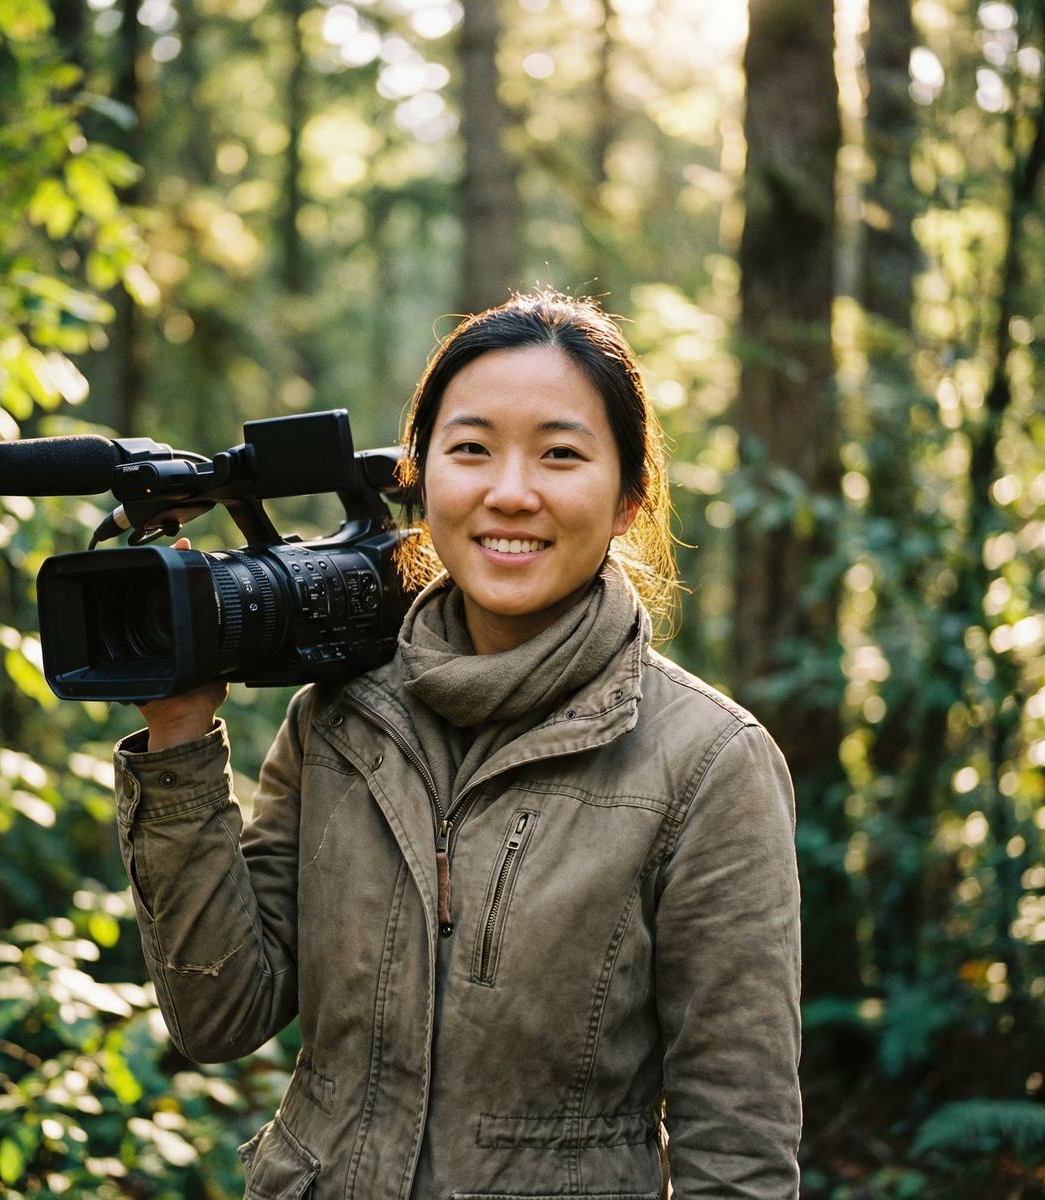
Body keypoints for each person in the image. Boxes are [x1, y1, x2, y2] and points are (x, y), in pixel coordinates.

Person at [112, 289, 802, 1199]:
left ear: (631, 497)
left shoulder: (707, 762)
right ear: (422, 476)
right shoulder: (342, 716)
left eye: (560, 455)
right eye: (470, 449)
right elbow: (219, 1013)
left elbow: (739, 1149)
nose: (509, 493)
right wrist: (179, 729)